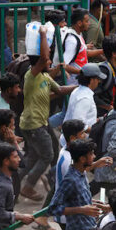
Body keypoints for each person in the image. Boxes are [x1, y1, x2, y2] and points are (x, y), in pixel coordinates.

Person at [19, 26, 76, 201]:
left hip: (38, 122)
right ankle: (28, 186)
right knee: (48, 155)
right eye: (47, 59)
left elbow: (59, 90)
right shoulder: (32, 75)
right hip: (34, 123)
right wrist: (43, 34)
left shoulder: (45, 77)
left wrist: (80, 86)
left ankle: (15, 180)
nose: (50, 59)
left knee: (34, 156)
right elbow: (44, 57)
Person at [48, 139, 110, 230]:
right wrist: (82, 210)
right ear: (82, 159)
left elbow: (79, 199)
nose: (94, 156)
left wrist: (95, 203)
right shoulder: (70, 180)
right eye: (91, 154)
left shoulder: (81, 173)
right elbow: (52, 208)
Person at [63, 63, 105, 131]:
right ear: (92, 80)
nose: (99, 81)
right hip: (76, 139)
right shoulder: (85, 98)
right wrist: (95, 131)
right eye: (98, 79)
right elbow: (77, 124)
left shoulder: (78, 90)